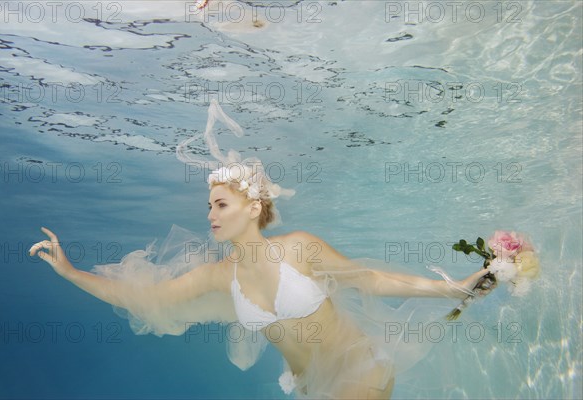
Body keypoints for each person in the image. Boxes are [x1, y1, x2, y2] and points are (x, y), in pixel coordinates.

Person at [29, 100, 491, 399]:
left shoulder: (299, 249)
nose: (210, 214)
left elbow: (369, 279)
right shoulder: (217, 276)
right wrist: (71, 273)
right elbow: (144, 298)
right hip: (311, 388)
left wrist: (453, 290)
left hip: (359, 372)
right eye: (208, 204)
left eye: (221, 204)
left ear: (253, 208)